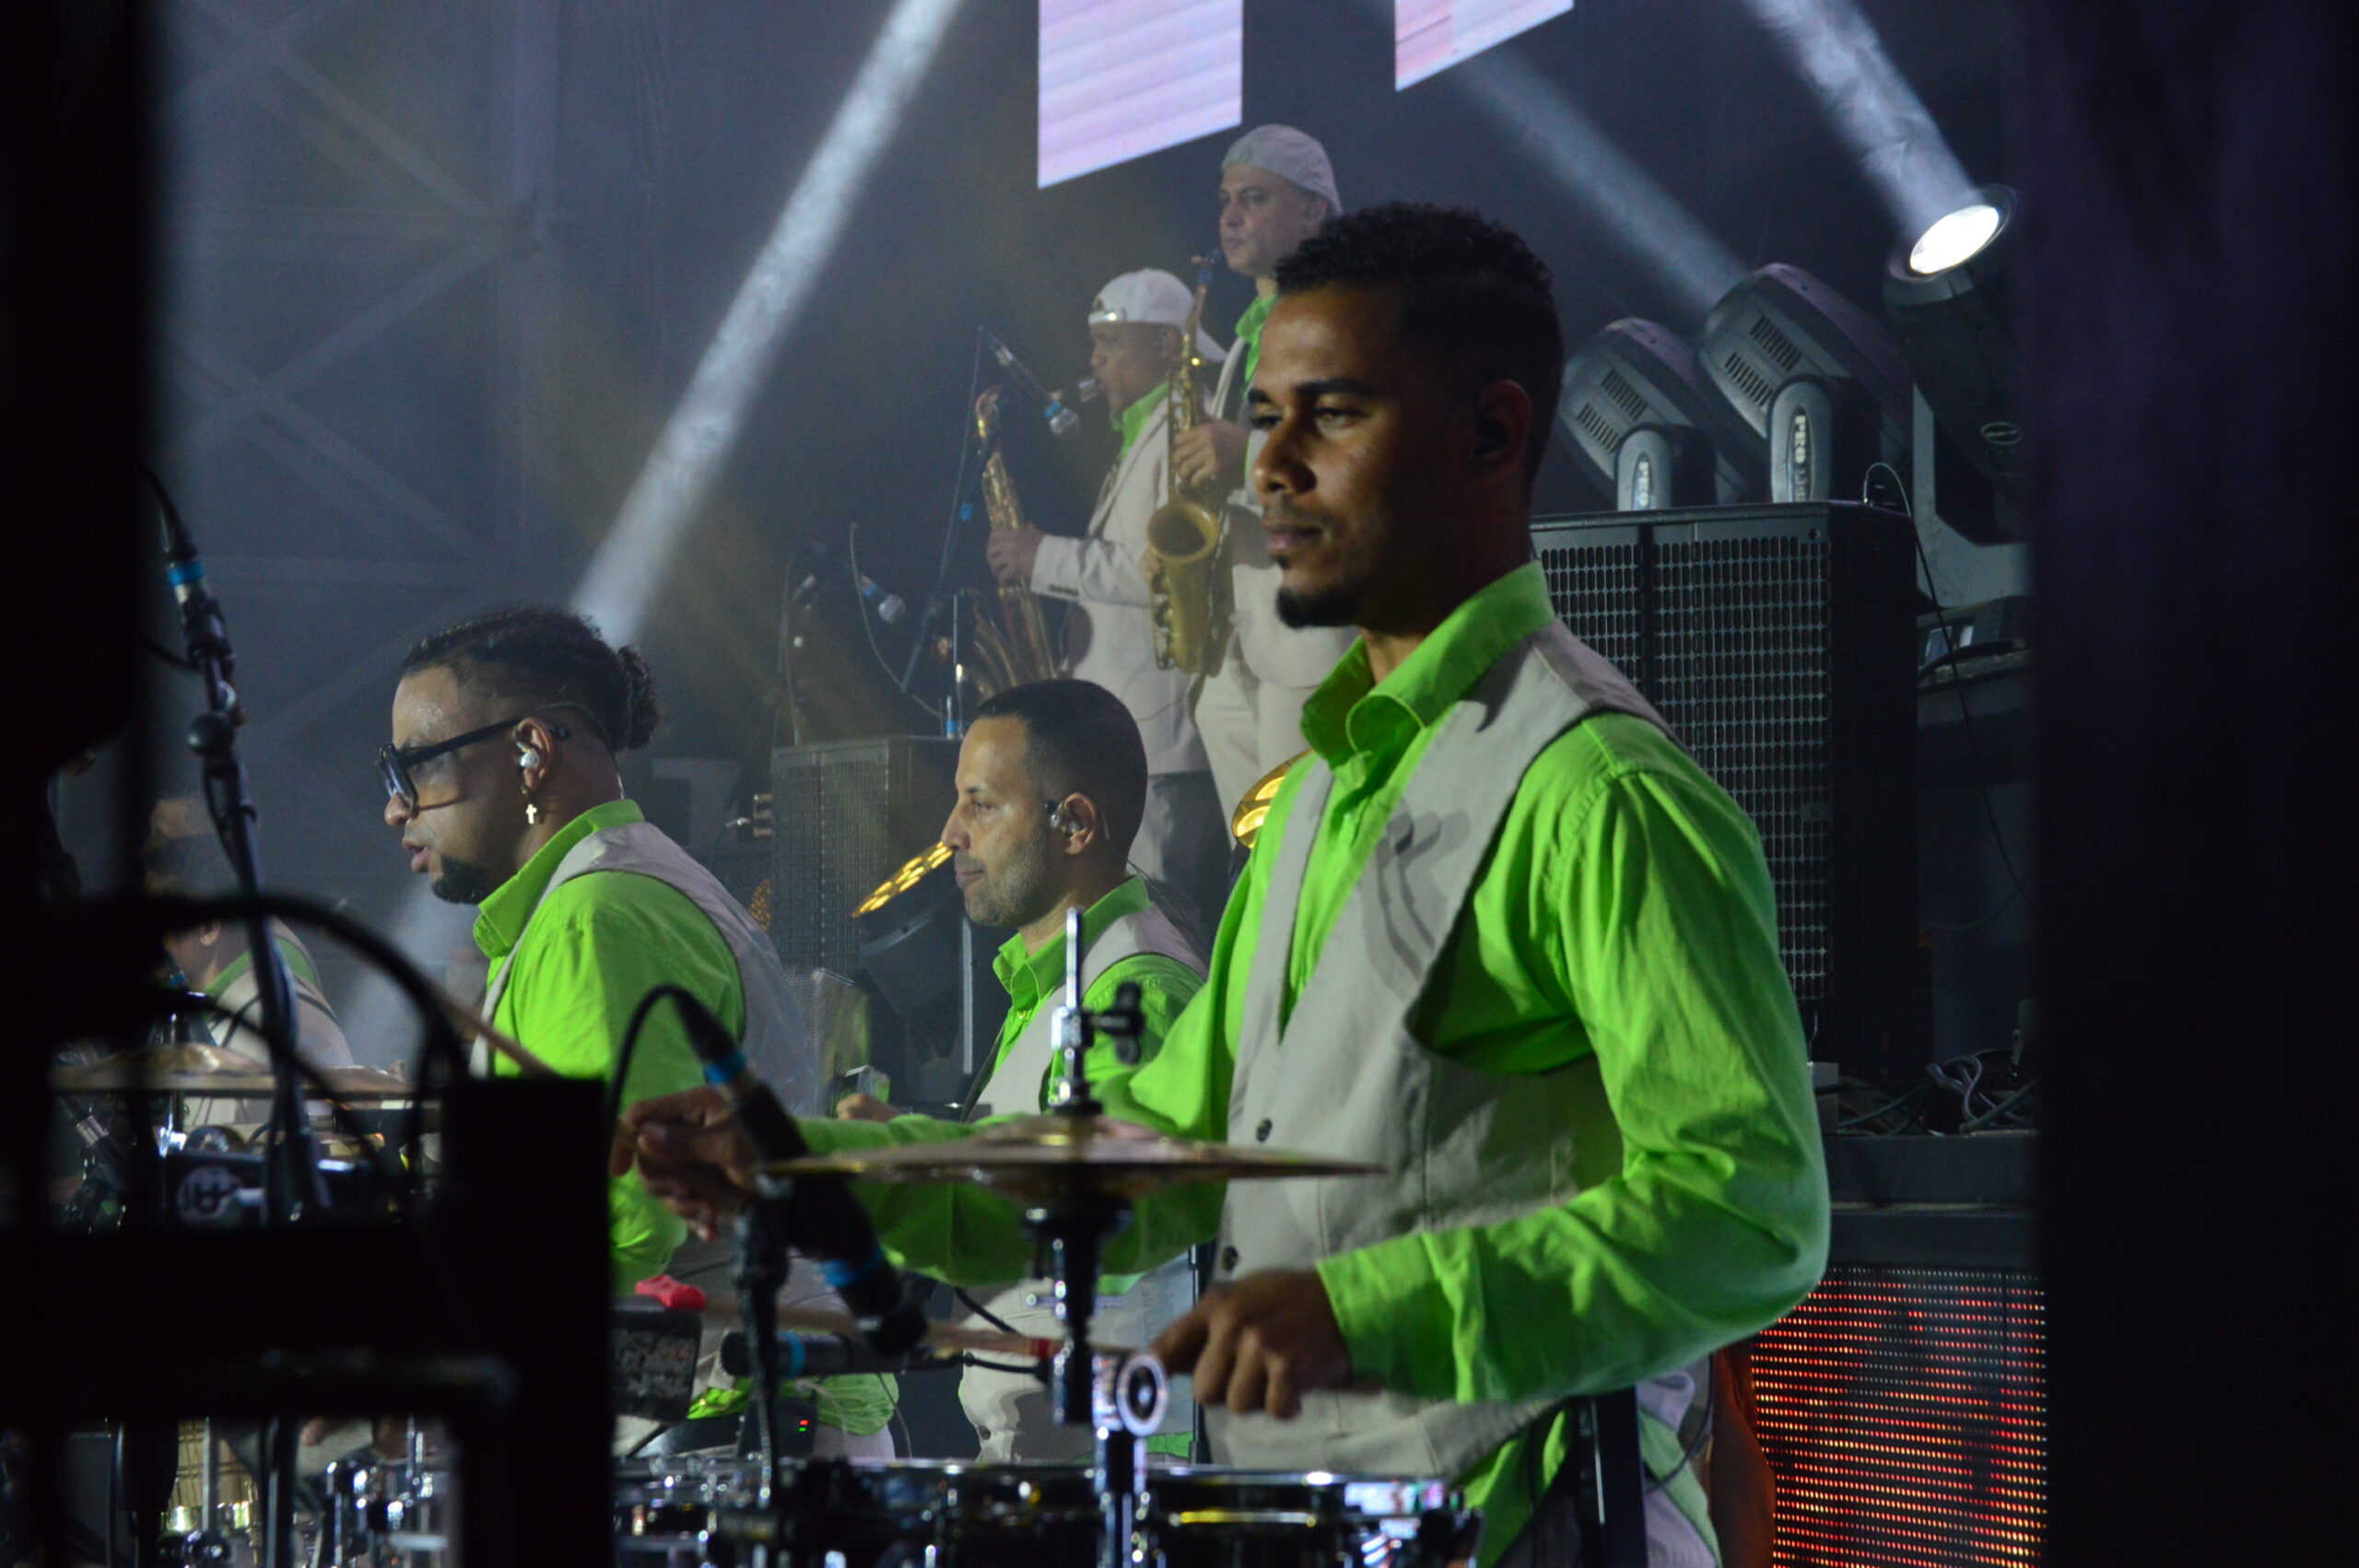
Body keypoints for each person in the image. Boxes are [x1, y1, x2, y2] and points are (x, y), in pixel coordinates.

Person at [617, 205, 1828, 1565]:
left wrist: (1372, 1308)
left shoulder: (1599, 790)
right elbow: (1148, 1158)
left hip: (1527, 1528)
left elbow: (1752, 1208)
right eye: (1263, 419)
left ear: (1490, 434)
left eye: (1333, 415)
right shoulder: (1313, 802)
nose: (1270, 467)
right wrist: (817, 1166)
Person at [380, 605, 893, 1457]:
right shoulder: (601, 896)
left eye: (415, 766)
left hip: (728, 1422)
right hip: (725, 1406)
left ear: (530, 751)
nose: (398, 807)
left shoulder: (600, 914)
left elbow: (620, 1210)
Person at [837, 679, 1205, 1460]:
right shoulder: (1057, 978)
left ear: (1074, 824)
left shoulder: (1137, 988)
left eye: (981, 805)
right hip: (1047, 1468)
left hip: (1111, 1484)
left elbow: (1099, 1214)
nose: (949, 837)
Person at [985, 269, 1232, 941]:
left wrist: (1045, 559)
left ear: (1162, 346)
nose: (1093, 361)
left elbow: (1159, 573)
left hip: (1162, 739)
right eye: (1093, 344)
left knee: (1157, 928)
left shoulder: (1186, 423)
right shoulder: (1140, 438)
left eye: (1108, 344)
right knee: (1132, 925)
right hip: (1136, 736)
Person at [1169, 125, 1358, 824]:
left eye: (1254, 199)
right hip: (1236, 638)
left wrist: (1240, 456)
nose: (1228, 216)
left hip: (1307, 642)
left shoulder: (1342, 313)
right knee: (1258, 874)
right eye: (1225, 200)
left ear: (1313, 210)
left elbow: (1355, 465)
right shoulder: (1248, 332)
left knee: (1310, 861)